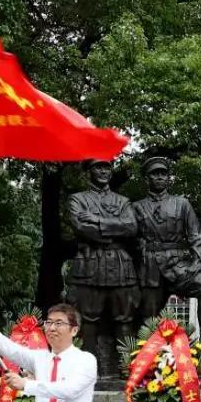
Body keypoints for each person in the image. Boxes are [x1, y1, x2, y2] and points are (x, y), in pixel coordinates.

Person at [66, 158, 139, 376]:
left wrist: (96, 220)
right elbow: (81, 228)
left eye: (107, 167)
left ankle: (129, 369)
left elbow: (132, 227)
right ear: (88, 170)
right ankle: (87, 370)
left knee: (125, 318)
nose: (104, 171)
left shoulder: (123, 201)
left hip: (119, 265)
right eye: (98, 167)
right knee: (87, 320)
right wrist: (114, 228)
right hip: (90, 265)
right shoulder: (77, 200)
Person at [132, 156, 201, 340]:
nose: (160, 177)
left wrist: (197, 264)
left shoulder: (182, 203)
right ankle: (148, 355)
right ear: (147, 179)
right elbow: (130, 238)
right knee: (148, 318)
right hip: (150, 267)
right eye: (155, 174)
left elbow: (196, 235)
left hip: (178, 264)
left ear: (169, 178)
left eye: (163, 173)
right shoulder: (136, 207)